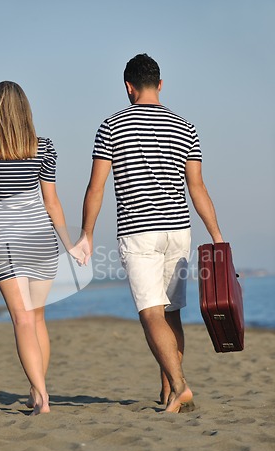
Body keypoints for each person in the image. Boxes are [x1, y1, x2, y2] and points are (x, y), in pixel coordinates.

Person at [81, 54, 223, 413]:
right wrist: (218, 237)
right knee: (171, 313)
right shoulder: (184, 126)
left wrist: (86, 234)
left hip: (139, 231)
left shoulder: (111, 126)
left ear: (129, 87)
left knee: (151, 313)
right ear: (160, 85)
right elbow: (198, 188)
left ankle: (178, 386)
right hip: (179, 231)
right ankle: (167, 391)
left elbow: (96, 188)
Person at [0, 81, 84, 415]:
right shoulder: (43, 146)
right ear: (25, 110)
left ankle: (42, 398)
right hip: (42, 241)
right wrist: (70, 245)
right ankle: (37, 391)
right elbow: (52, 202)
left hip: (5, 241)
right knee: (37, 318)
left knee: (21, 320)